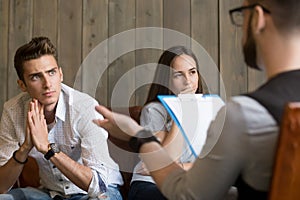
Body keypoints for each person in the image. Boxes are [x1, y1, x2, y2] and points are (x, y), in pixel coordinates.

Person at [93, 0, 300, 199]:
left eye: (242, 15)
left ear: (258, 18)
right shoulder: (159, 110)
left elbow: (187, 194)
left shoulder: (244, 114)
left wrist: (137, 135)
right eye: (178, 74)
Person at [0, 36, 123, 200]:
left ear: (60, 74)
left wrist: (48, 149)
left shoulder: (84, 108)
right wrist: (25, 148)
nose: (48, 84)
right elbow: (2, 186)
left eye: (51, 73)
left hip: (95, 193)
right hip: (51, 194)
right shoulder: (13, 111)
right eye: (35, 77)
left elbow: (97, 185)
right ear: (22, 85)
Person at [128, 46, 203, 200]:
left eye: (192, 72)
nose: (188, 81)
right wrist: (180, 113)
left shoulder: (208, 109)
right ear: (167, 80)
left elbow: (212, 163)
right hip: (150, 184)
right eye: (178, 75)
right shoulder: (154, 111)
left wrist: (182, 168)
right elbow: (163, 164)